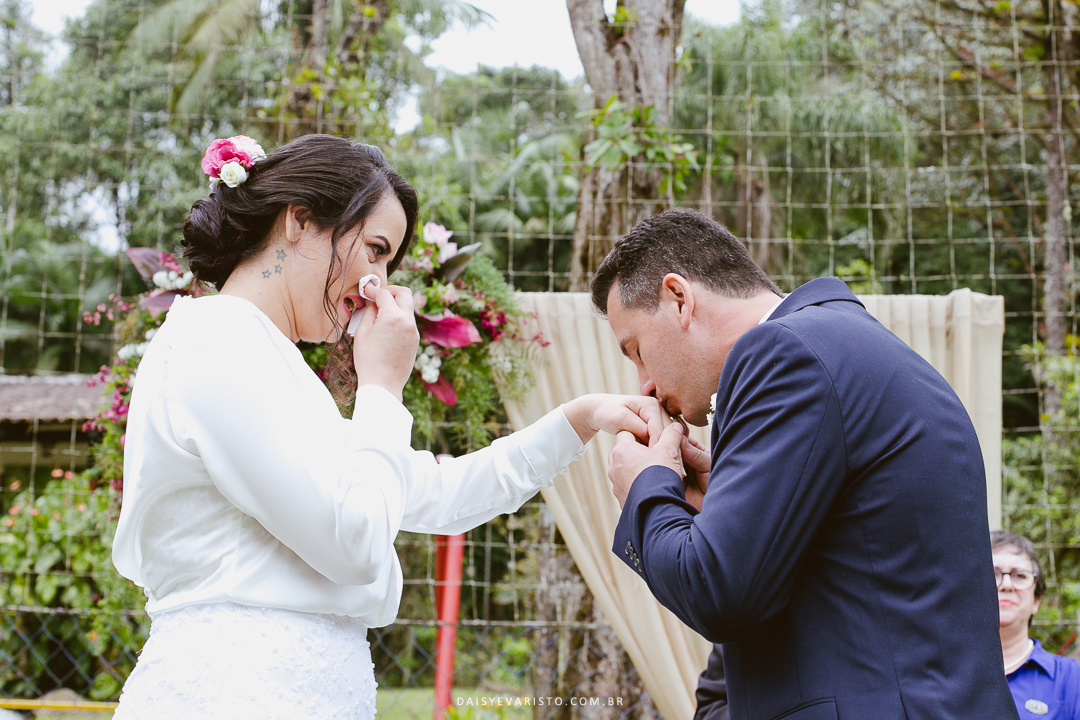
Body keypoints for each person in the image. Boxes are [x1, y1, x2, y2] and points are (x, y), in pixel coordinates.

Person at [109, 134, 663, 719]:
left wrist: (580, 419)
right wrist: (381, 387)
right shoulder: (216, 342)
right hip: (236, 691)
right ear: (298, 221)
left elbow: (435, 492)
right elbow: (355, 545)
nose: (379, 282)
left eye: (388, 261)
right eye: (374, 249)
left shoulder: (271, 365)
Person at [591, 209, 1018, 719]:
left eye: (636, 350)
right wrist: (716, 515)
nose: (644, 385)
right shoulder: (844, 347)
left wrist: (645, 488)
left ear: (679, 298)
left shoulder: (783, 353)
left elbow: (719, 593)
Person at [993, 530, 1080, 719]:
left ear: (1037, 600)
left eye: (1020, 575)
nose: (1006, 584)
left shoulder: (1070, 678)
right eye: (993, 573)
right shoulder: (939, 671)